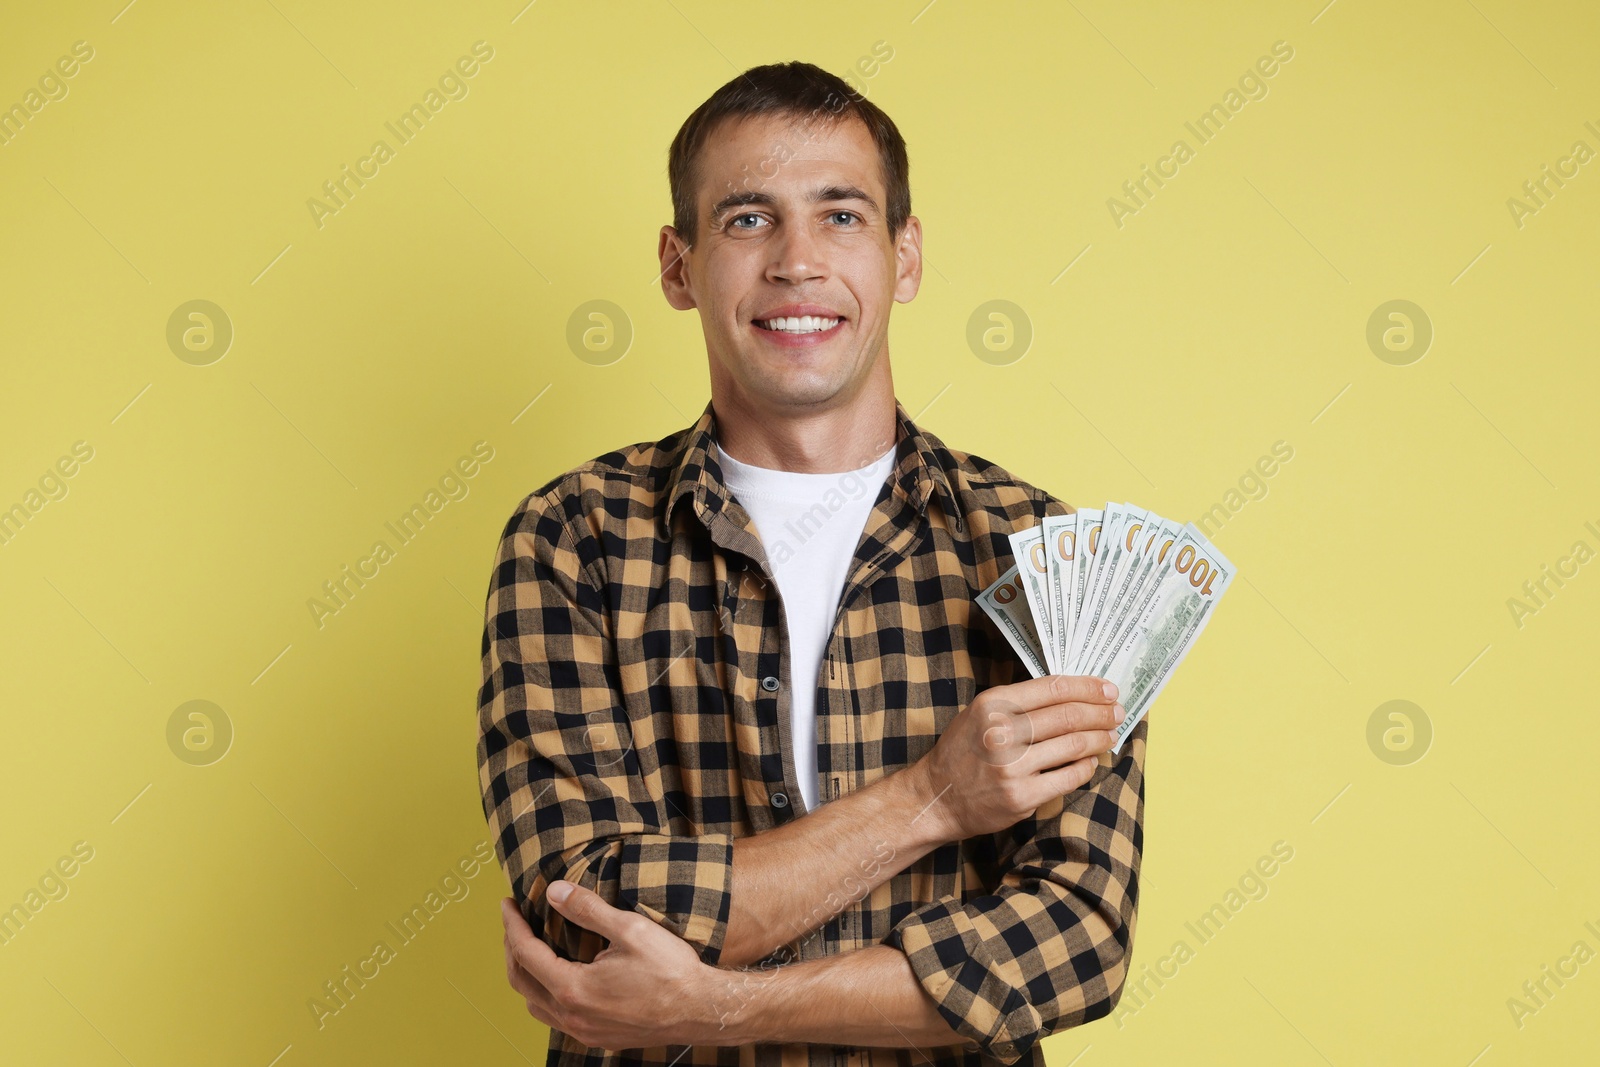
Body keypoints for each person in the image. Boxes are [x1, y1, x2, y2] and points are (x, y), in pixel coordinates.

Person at [477, 60, 1146, 1067]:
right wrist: (933, 798)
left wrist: (716, 1005)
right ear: (678, 264)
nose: (796, 261)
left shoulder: (1047, 556)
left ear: (903, 256)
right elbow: (588, 917)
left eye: (840, 215)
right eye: (748, 219)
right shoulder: (572, 539)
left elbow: (1070, 942)